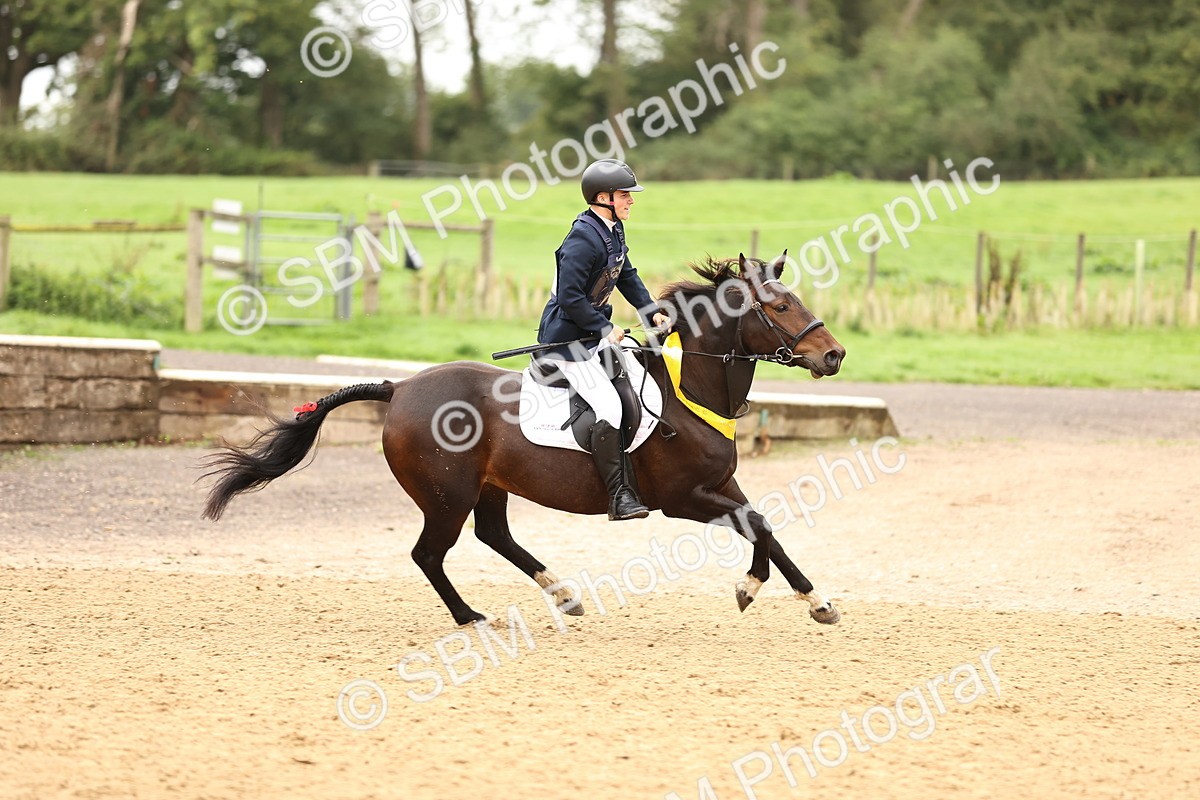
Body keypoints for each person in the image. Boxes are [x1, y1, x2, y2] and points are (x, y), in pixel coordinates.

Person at [536, 158, 671, 521]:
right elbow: (570, 296)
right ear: (603, 197)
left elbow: (626, 274)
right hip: (568, 342)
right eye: (625, 194)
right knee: (609, 407)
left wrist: (650, 310)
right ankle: (619, 495)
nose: (631, 201)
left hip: (590, 334)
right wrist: (603, 328)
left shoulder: (611, 229)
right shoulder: (583, 236)